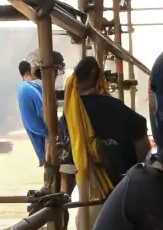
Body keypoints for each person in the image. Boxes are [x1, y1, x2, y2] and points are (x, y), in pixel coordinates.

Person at [60, 55, 149, 184]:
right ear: (95, 75)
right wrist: (142, 168)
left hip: (81, 181)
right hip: (120, 181)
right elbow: (140, 126)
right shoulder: (113, 106)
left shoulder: (69, 112)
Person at [16, 60, 47, 167]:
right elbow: (44, 110)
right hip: (42, 130)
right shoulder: (31, 88)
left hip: (31, 128)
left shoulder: (20, 88)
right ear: (30, 71)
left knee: (45, 159)